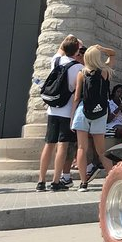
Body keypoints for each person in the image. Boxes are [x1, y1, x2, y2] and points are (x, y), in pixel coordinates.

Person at [36, 36, 84, 192]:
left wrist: (69, 39)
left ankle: (41, 181)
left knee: (48, 145)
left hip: (52, 109)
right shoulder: (78, 68)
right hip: (66, 110)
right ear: (77, 51)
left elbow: (60, 49)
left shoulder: (55, 61)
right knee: (62, 146)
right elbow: (77, 93)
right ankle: (56, 181)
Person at [71, 45, 116, 192]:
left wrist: (72, 117)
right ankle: (112, 180)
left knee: (82, 148)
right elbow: (113, 54)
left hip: (83, 111)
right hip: (100, 112)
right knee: (101, 150)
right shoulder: (105, 72)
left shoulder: (81, 73)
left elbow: (77, 97)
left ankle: (83, 183)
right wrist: (103, 49)